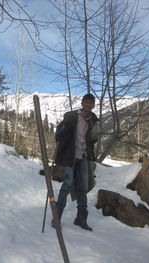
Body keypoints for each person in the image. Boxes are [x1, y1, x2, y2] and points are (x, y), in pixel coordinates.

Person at [53, 93, 99, 231]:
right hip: (70, 155)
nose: (88, 105)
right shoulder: (71, 116)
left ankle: (81, 219)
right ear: (82, 103)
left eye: (91, 103)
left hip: (84, 156)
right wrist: (61, 132)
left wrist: (93, 137)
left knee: (83, 187)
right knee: (66, 185)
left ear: (93, 105)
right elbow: (59, 132)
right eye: (86, 102)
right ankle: (57, 217)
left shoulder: (92, 120)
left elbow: (93, 138)